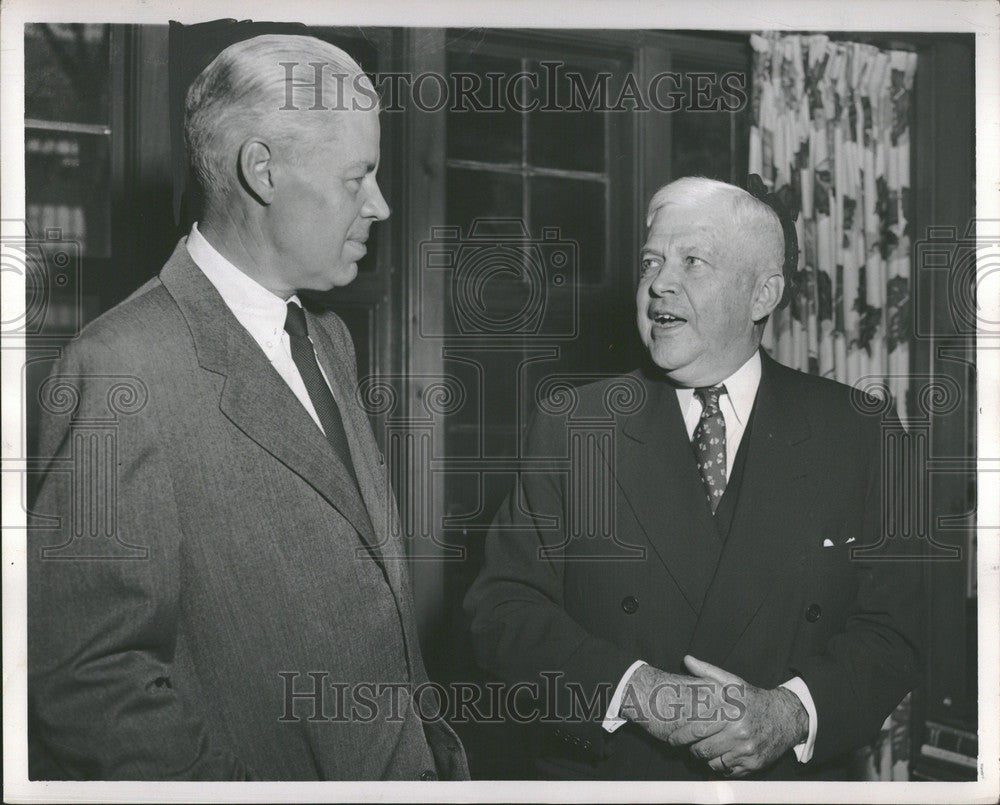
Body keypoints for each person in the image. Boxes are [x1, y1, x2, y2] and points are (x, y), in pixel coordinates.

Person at [28, 34, 468, 781]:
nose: (381, 204)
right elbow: (86, 676)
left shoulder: (328, 339)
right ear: (262, 169)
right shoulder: (119, 365)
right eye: (358, 176)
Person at [464, 176, 921, 780]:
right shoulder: (574, 425)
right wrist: (636, 690)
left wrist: (790, 713)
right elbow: (502, 611)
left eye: (692, 261)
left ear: (763, 295)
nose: (659, 284)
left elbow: (898, 630)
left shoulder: (860, 431)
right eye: (651, 260)